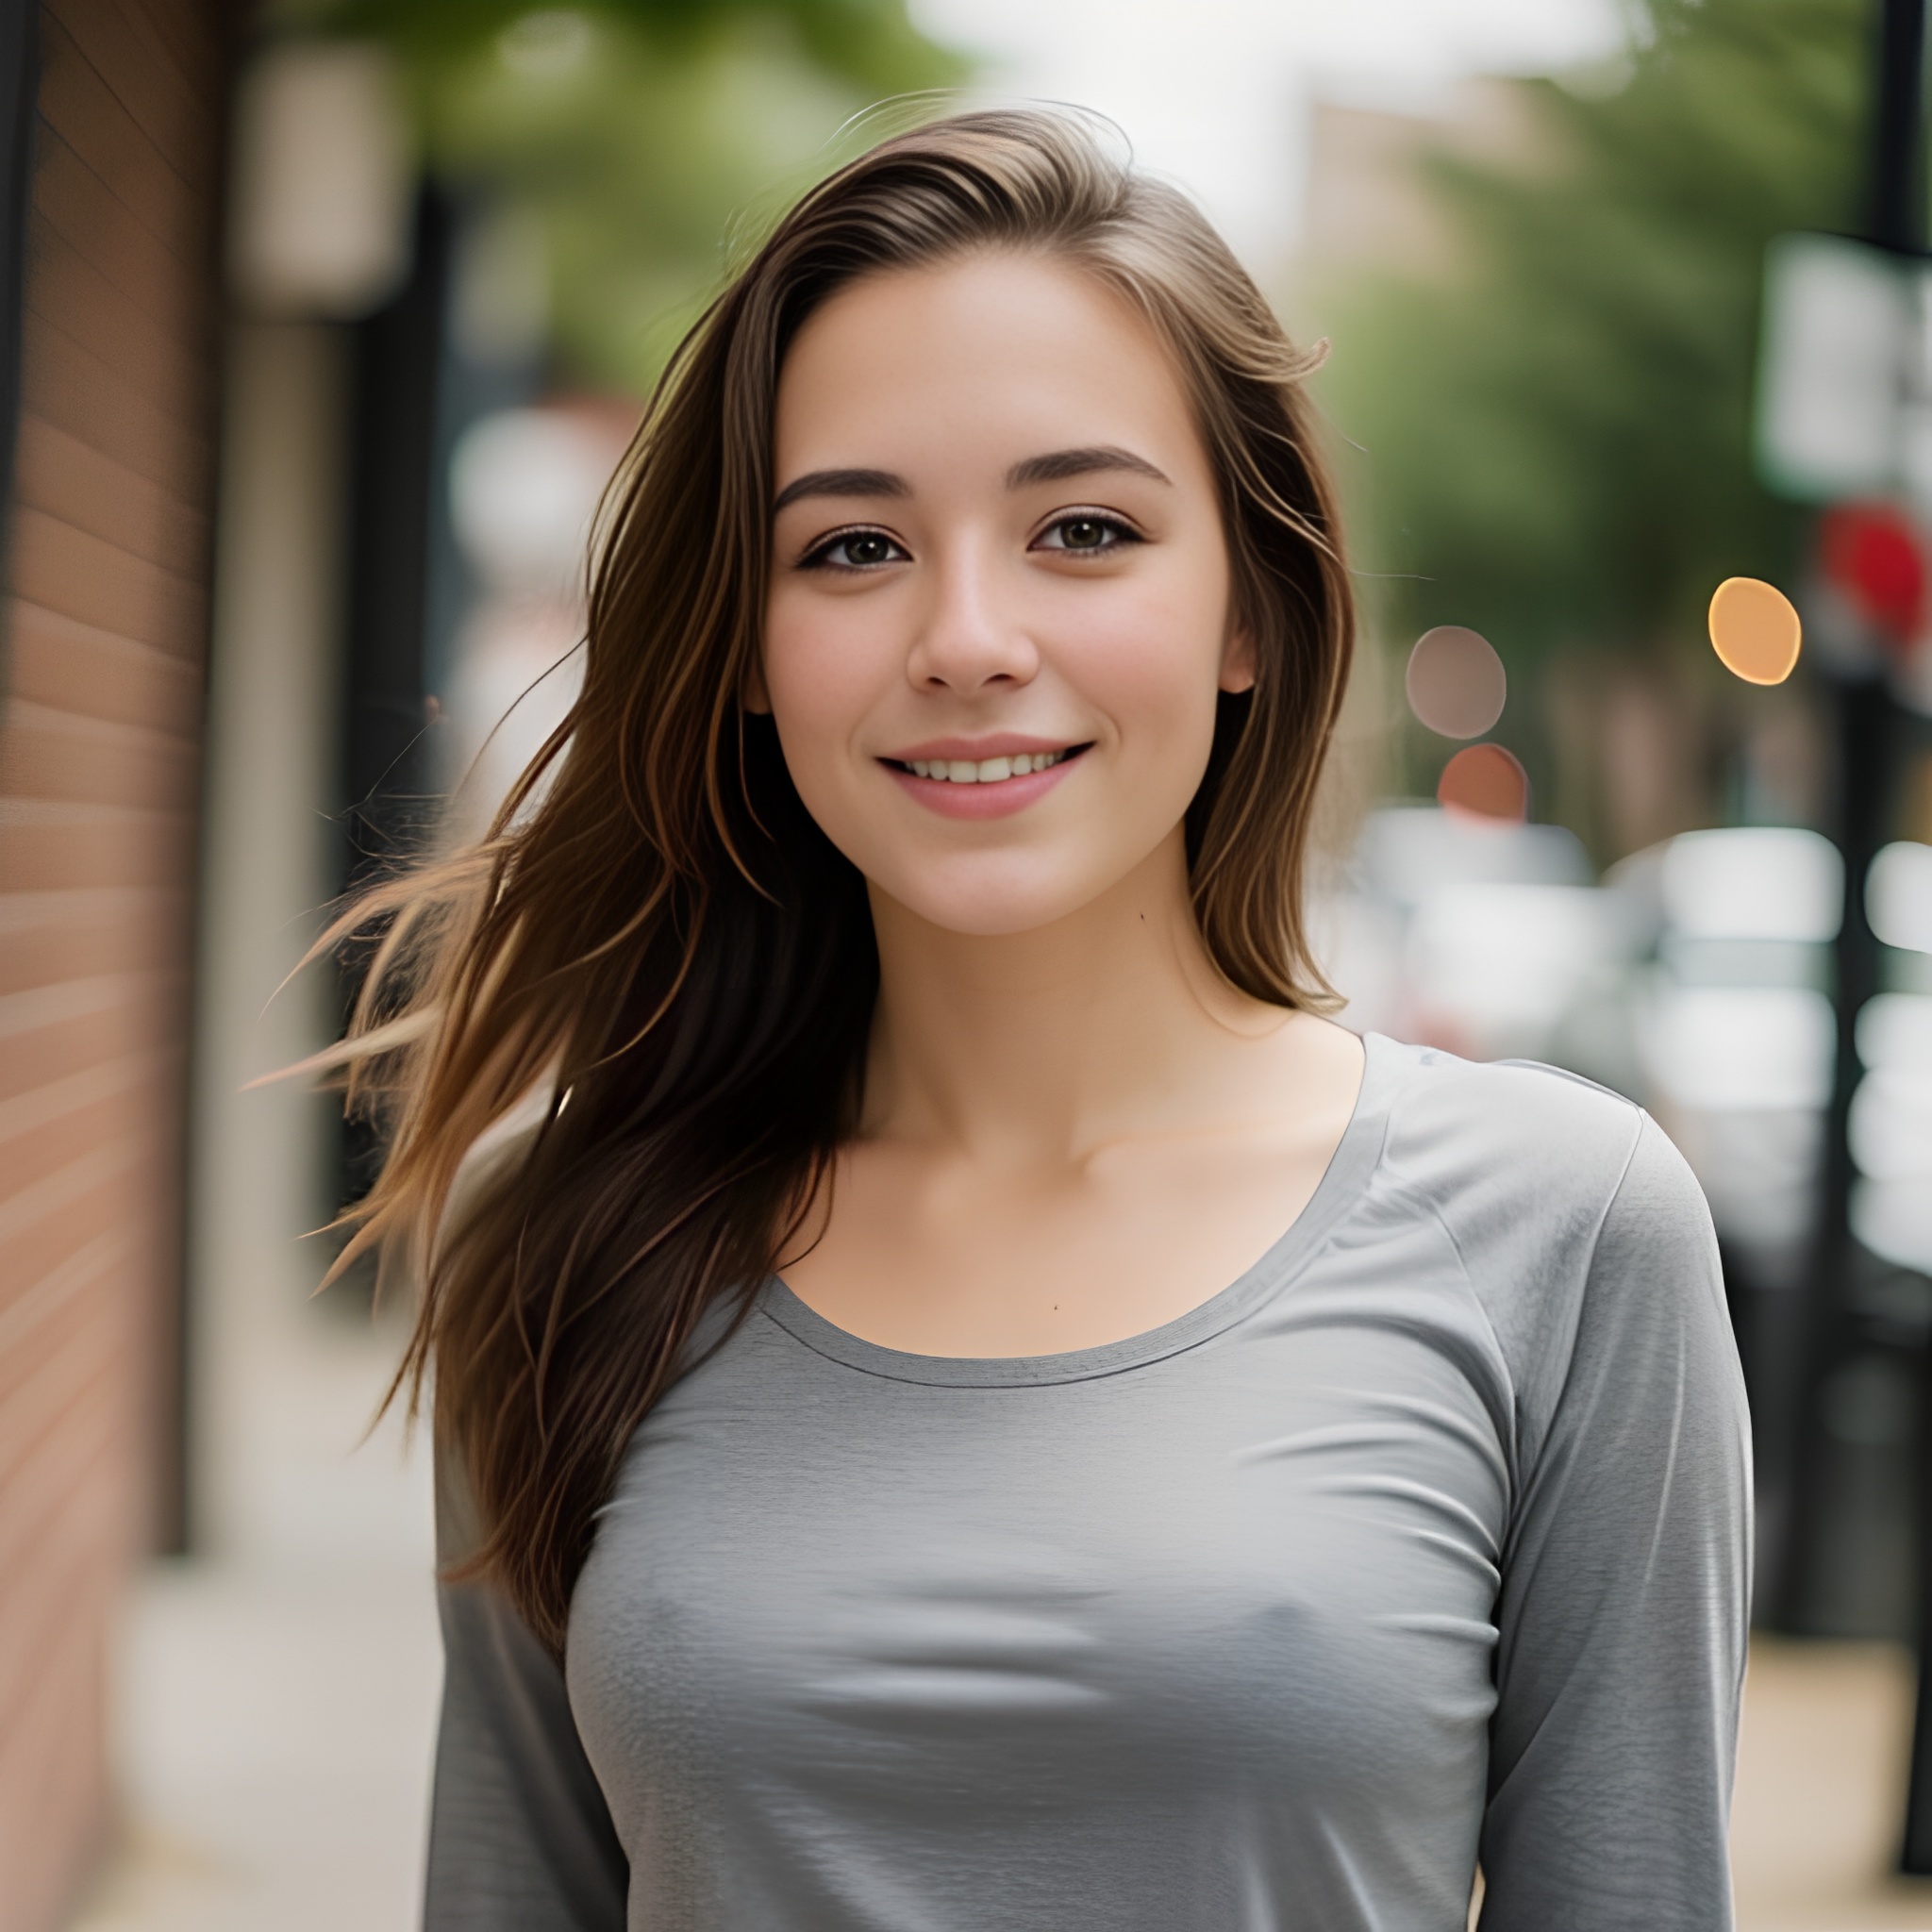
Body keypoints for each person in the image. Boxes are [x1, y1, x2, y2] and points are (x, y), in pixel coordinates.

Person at [335, 108, 1749, 1932]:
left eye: (1083, 529)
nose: (970, 636)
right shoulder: (565, 1232)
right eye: (852, 548)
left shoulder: (1565, 1229)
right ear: (750, 651)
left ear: (1251, 602)